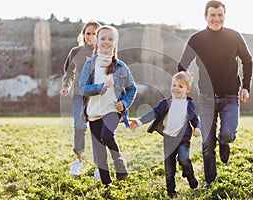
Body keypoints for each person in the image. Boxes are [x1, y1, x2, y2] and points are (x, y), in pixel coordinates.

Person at [178, 0, 253, 188]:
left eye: (220, 15)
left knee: (227, 133)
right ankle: (209, 180)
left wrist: (246, 86)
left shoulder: (234, 37)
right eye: (212, 15)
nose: (216, 18)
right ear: (205, 16)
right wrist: (186, 76)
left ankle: (225, 142)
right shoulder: (197, 39)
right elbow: (181, 65)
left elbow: (248, 60)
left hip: (230, 96)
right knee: (206, 142)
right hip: (206, 98)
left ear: (224, 16)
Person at [79, 25, 137, 187]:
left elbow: (132, 89)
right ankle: (106, 183)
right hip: (93, 112)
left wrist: (124, 103)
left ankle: (120, 166)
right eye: (103, 38)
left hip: (112, 111)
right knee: (99, 148)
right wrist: (101, 87)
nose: (106, 42)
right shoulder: (90, 64)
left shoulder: (120, 66)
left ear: (115, 42)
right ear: (96, 41)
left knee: (107, 136)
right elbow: (82, 88)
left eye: (110, 39)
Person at [130, 71, 201, 198]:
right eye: (174, 85)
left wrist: (197, 128)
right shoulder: (165, 103)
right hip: (169, 139)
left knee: (184, 158)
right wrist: (139, 121)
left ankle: (190, 177)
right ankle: (171, 191)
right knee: (169, 168)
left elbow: (195, 119)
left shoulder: (189, 104)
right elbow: (153, 113)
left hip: (183, 138)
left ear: (187, 89)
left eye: (180, 86)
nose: (176, 88)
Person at [60, 20, 101, 176]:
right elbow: (69, 72)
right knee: (79, 127)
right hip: (79, 95)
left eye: (94, 34)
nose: (90, 37)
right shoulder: (75, 51)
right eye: (87, 33)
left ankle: (99, 167)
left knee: (96, 131)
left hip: (96, 98)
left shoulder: (102, 53)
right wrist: (66, 86)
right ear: (83, 34)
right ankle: (78, 161)